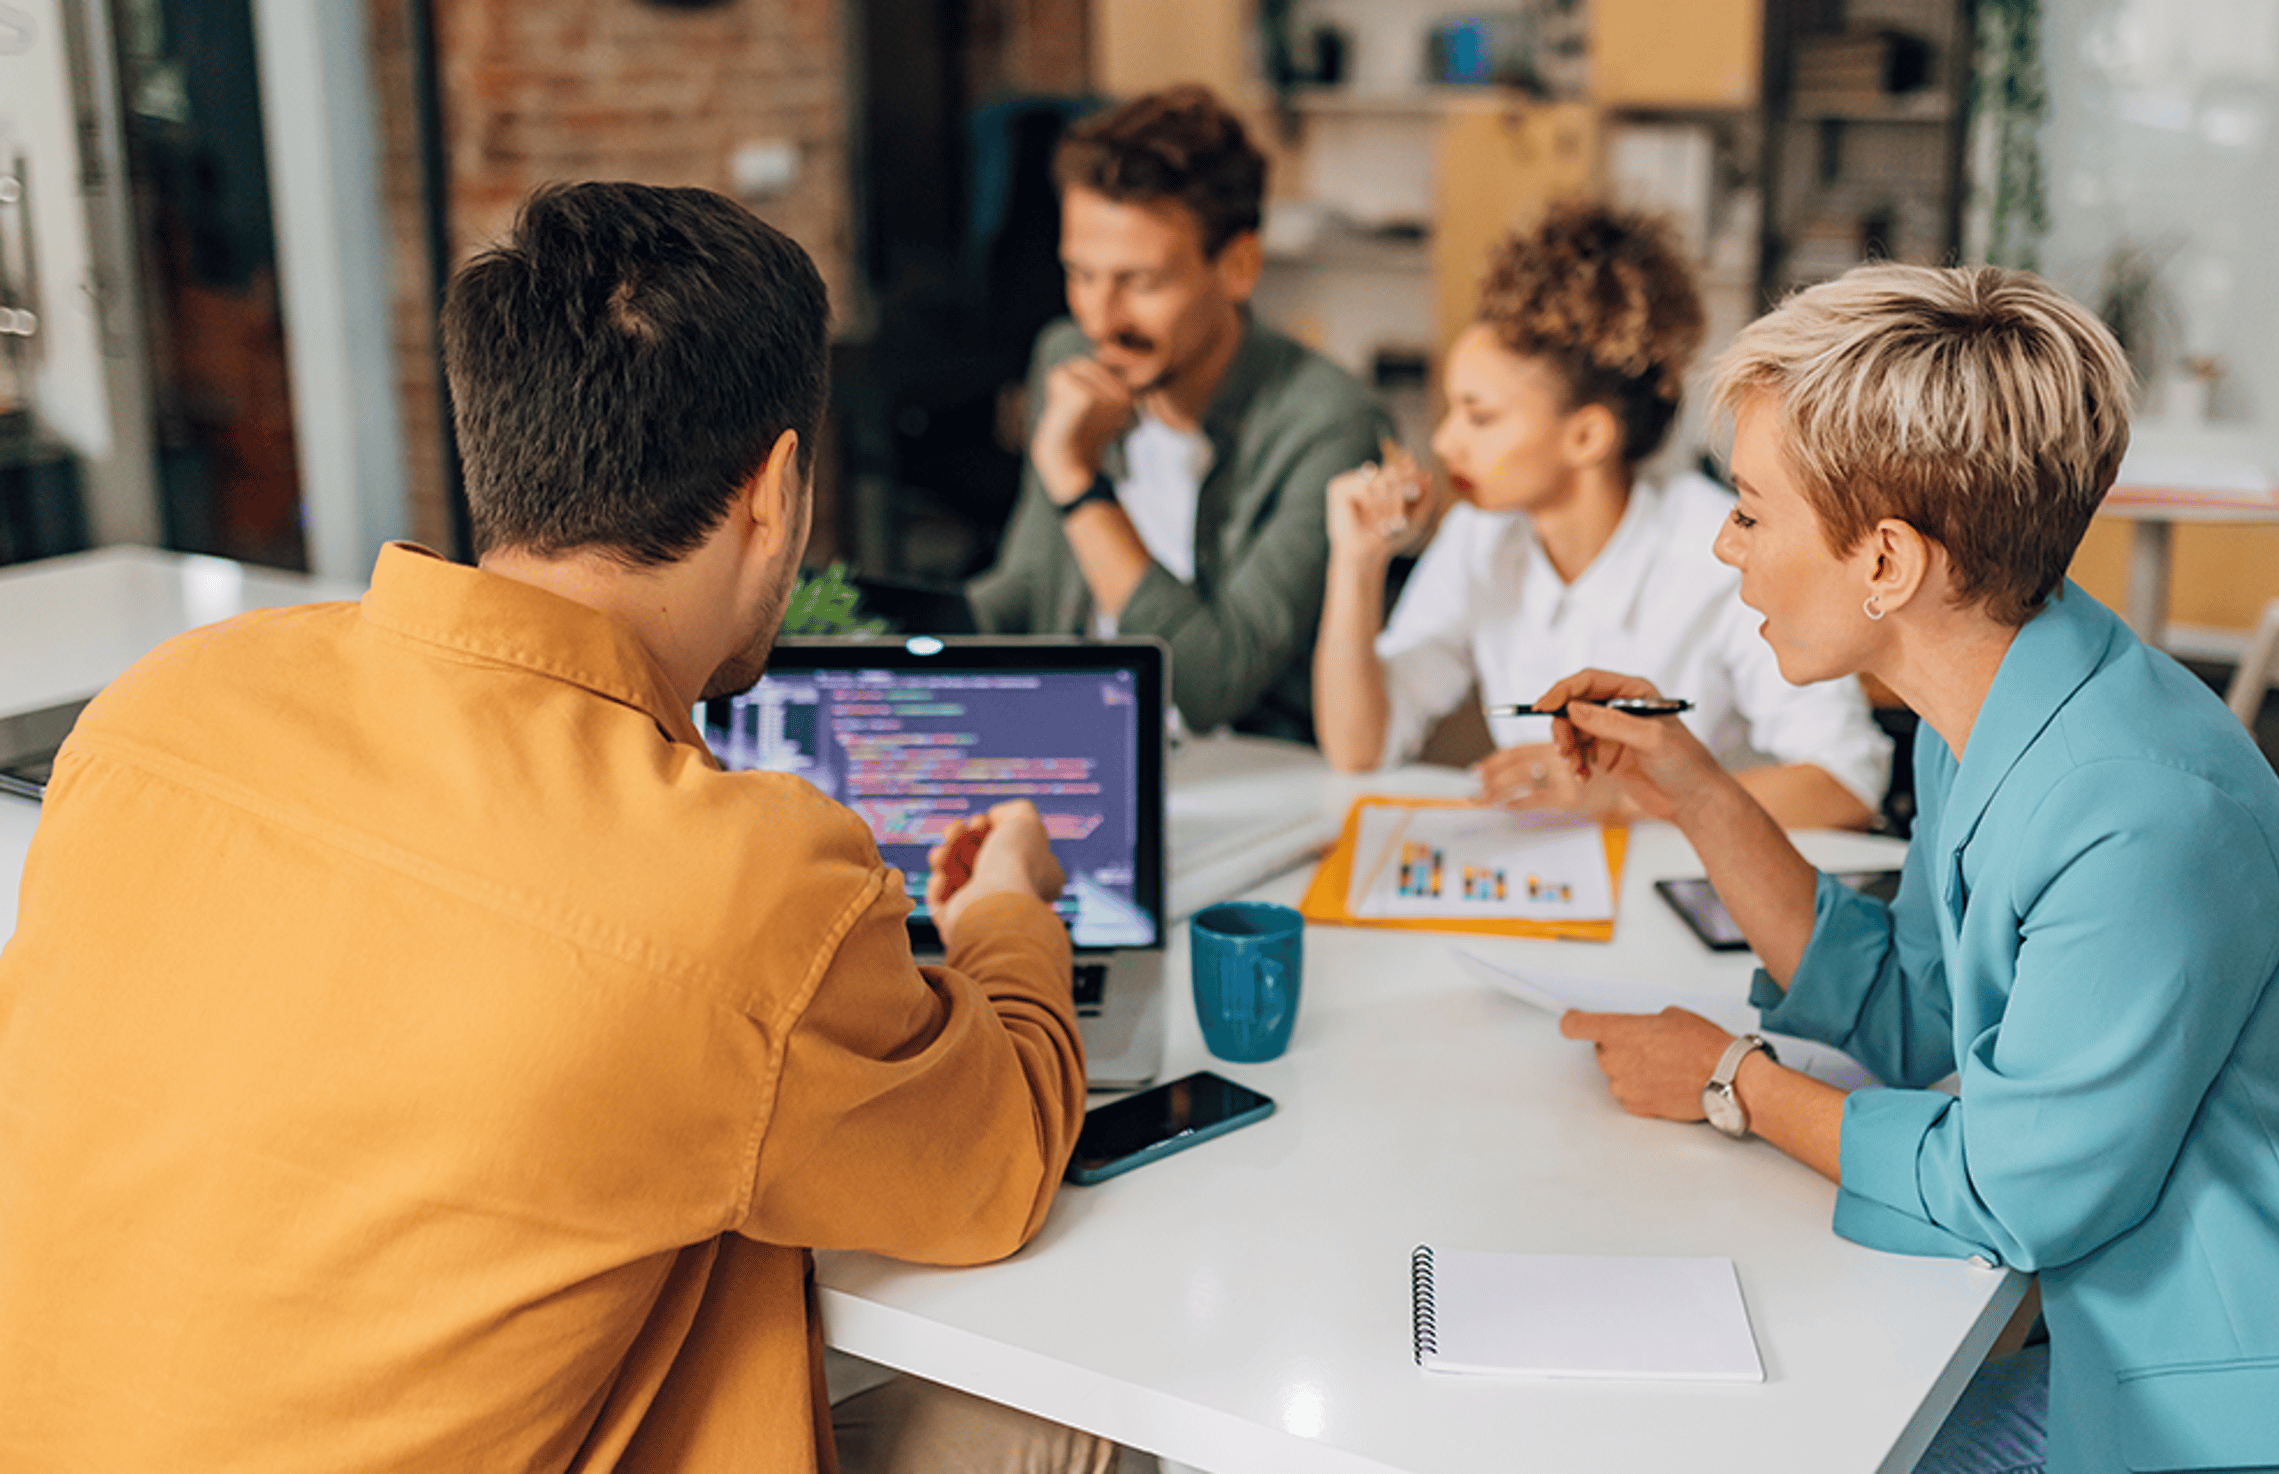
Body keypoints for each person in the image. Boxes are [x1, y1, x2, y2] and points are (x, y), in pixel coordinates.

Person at [0, 183, 1110, 1473]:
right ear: (779, 492)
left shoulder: (164, 701)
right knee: (1061, 1423)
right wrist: (1007, 913)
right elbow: (997, 1165)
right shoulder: (739, 882)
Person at [1539, 262, 2279, 1472]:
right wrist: (1700, 795)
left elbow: (2017, 1192)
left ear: (1887, 563)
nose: (1724, 542)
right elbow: (1920, 1018)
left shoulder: (2138, 809)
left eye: (1752, 511)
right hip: (2158, 1354)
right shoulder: (1987, 705)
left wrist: (1734, 1082)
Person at [1313, 199, 1889, 828]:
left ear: (1586, 437)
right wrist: (1358, 561)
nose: (1447, 441)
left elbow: (1845, 786)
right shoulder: (1479, 538)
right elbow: (1359, 749)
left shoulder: (1720, 551)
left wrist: (1626, 799)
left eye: (1480, 416)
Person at [968, 84, 1392, 742]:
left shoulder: (1328, 421)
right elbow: (1028, 588)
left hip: (1246, 773)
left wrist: (1079, 486)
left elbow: (1212, 683)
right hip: (1079, 748)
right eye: (1080, 274)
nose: (1099, 319)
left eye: (1140, 282)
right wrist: (881, 638)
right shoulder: (1067, 354)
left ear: (1239, 266)